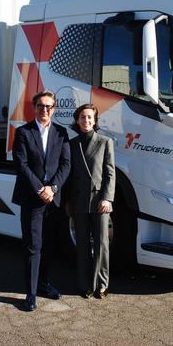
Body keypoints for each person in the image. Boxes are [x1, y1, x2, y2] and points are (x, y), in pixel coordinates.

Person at [12, 90, 71, 312]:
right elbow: (21, 164)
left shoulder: (62, 133)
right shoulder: (23, 133)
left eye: (49, 106)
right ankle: (31, 294)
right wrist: (40, 189)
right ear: (34, 108)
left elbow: (66, 164)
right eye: (40, 106)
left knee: (49, 246)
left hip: (53, 200)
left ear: (54, 109)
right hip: (32, 199)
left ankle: (45, 284)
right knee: (33, 246)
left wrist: (53, 188)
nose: (45, 110)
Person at [67, 103, 115, 299]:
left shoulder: (105, 142)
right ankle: (85, 285)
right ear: (77, 121)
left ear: (95, 121)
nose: (85, 120)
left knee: (102, 244)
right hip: (78, 201)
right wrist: (68, 202)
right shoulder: (72, 144)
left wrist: (107, 198)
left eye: (89, 117)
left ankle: (102, 285)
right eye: (82, 117)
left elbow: (110, 173)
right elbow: (69, 177)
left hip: (99, 201)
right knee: (83, 245)